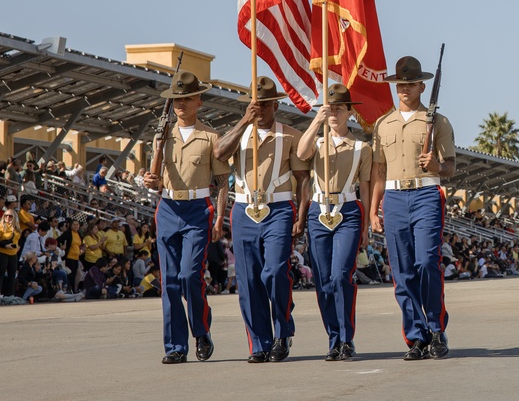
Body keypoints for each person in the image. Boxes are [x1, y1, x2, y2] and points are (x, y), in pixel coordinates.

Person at [213, 76, 309, 364]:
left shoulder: (290, 136)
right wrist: (244, 121)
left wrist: (301, 215)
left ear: (276, 105)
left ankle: (283, 330)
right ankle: (259, 342)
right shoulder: (239, 134)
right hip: (244, 210)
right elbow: (219, 153)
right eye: (257, 104)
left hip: (278, 209)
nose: (262, 108)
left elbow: (303, 179)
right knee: (248, 279)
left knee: (275, 271)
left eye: (267, 104)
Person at [369, 55, 455, 361]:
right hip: (393, 200)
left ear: (421, 86)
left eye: (411, 84)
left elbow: (451, 166)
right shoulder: (383, 124)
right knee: (403, 272)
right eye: (400, 84)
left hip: (426, 196)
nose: (405, 89)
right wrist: (373, 208)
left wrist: (437, 165)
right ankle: (416, 336)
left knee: (426, 262)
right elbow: (378, 171)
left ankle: (436, 328)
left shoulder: (438, 122)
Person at [142, 71, 230, 364]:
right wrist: (149, 180)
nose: (181, 104)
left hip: (197, 210)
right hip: (167, 209)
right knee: (170, 282)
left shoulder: (210, 136)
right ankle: (175, 346)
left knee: (191, 275)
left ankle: (201, 330)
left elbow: (221, 182)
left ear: (199, 102)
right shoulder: (160, 138)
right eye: (177, 99)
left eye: (187, 98)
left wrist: (218, 219)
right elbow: (152, 176)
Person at [297, 83, 372, 362]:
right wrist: (317, 119)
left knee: (341, 275)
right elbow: (302, 154)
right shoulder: (317, 142)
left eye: (339, 108)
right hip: (319, 211)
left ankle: (346, 338)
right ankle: (333, 338)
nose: (333, 113)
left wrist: (366, 228)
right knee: (323, 280)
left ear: (350, 112)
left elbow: (364, 188)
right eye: (329, 108)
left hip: (348, 210)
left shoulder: (362, 147)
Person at [0, 209, 22, 299]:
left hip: (13, 253)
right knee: (0, 274)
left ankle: (11, 294)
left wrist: (17, 246)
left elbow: (17, 239)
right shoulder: (0, 226)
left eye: (10, 216)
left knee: (12, 274)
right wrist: (5, 246)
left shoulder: (16, 227)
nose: (8, 218)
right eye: (6, 216)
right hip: (2, 252)